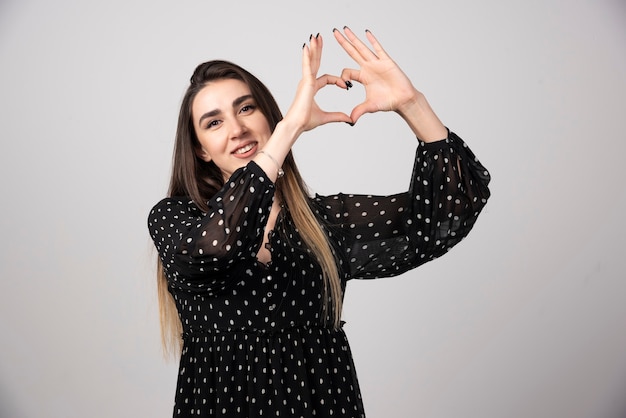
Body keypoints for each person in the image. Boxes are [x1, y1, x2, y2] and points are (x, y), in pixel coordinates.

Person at [147, 27, 490, 418]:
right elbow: (218, 249)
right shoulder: (175, 219)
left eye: (246, 108)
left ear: (267, 116)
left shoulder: (326, 222)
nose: (238, 129)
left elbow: (447, 213)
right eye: (214, 123)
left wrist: (412, 104)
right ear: (200, 150)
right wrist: (289, 129)